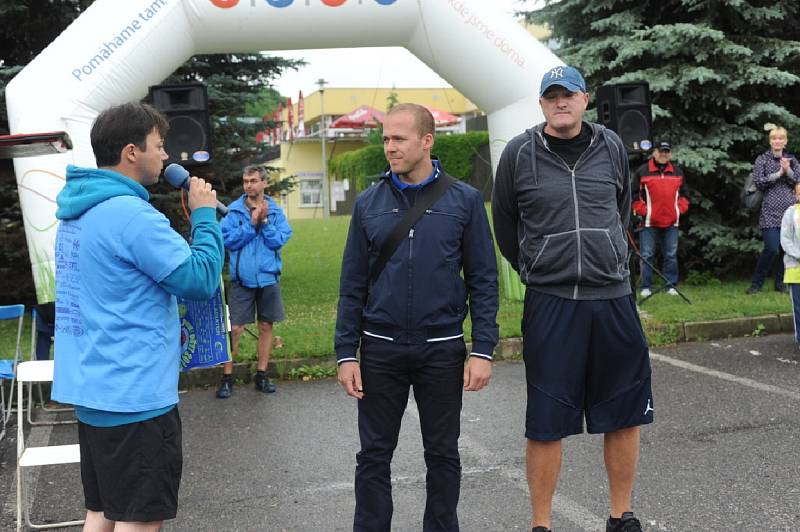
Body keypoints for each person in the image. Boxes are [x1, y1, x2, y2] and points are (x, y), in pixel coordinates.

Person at [492, 66, 652, 532]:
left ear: (585, 100)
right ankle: (540, 523)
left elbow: (620, 210)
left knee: (623, 412)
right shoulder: (520, 153)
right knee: (545, 419)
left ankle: (621, 515)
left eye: (569, 95)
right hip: (551, 301)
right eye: (551, 96)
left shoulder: (611, 146)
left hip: (612, 297)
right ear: (541, 104)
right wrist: (538, 265)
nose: (561, 103)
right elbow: (506, 226)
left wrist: (609, 256)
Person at [52, 102, 224, 531]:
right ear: (132, 151)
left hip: (95, 392)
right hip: (136, 397)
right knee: (141, 520)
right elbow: (199, 279)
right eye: (159, 146)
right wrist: (204, 215)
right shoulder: (131, 216)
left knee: (103, 513)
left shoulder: (78, 211)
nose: (165, 157)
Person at [335, 103, 499, 532]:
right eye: (385, 138)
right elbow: (352, 283)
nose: (389, 147)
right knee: (373, 456)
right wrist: (345, 354)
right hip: (380, 348)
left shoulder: (463, 201)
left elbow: (483, 279)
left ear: (427, 141)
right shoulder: (368, 203)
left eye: (399, 139)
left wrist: (483, 349)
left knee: (443, 454)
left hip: (442, 349)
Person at [215, 164, 292, 398]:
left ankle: (262, 374)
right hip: (242, 280)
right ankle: (227, 377)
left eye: (253, 181)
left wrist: (265, 222)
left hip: (268, 279)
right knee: (236, 329)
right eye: (246, 181)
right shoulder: (233, 212)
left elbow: (278, 241)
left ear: (264, 183)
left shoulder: (275, 212)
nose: (248, 185)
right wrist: (251, 225)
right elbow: (227, 240)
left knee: (266, 326)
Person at [632, 141, 689, 297]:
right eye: (660, 151)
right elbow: (634, 195)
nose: (664, 154)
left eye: (667, 151)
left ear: (670, 154)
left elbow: (684, 195)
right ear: (654, 153)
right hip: (649, 222)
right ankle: (645, 286)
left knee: (670, 254)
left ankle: (670, 285)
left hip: (671, 223)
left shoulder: (677, 171)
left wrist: (678, 210)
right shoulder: (643, 171)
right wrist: (644, 211)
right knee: (647, 254)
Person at [747, 126, 800, 294]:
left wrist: (788, 170)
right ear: (770, 141)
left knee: (785, 249)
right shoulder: (762, 159)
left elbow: (798, 180)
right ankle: (756, 284)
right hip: (769, 211)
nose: (777, 141)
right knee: (772, 248)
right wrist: (778, 173)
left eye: (780, 138)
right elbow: (759, 181)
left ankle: (780, 284)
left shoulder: (792, 159)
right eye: (774, 138)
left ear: (785, 141)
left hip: (789, 211)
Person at [780, 182, 800, 345]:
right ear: (795, 195)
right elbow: (785, 239)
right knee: (799, 309)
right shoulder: (791, 213)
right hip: (796, 269)